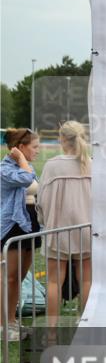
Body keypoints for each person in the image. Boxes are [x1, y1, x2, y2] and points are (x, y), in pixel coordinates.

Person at [38, 121, 93, 327]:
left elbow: (41, 200)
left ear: (62, 139)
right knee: (87, 280)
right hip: (86, 230)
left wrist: (44, 220)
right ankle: (85, 325)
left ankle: (51, 333)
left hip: (58, 231)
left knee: (54, 282)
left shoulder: (52, 165)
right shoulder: (92, 164)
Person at [2, 128, 41, 341]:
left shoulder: (27, 165)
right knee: (8, 278)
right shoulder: (5, 169)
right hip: (12, 226)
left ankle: (13, 322)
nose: (38, 150)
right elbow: (27, 179)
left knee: (19, 277)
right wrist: (19, 159)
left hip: (30, 224)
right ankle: (3, 325)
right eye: (34, 147)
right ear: (20, 148)